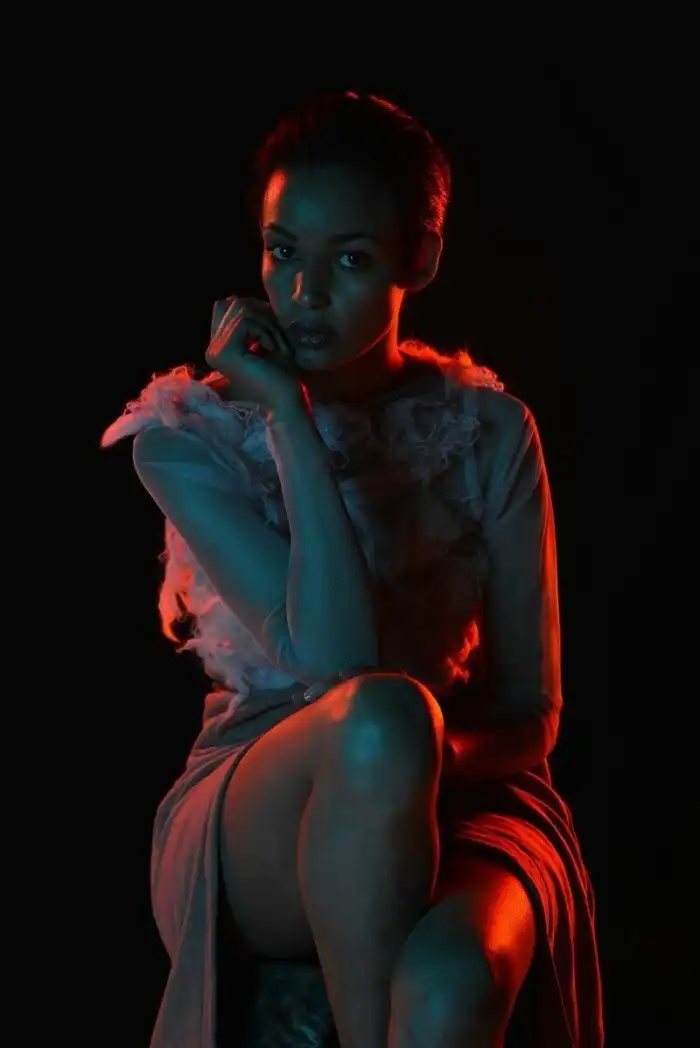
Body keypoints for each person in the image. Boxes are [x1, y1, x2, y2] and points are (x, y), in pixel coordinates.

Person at [102, 92, 603, 1048]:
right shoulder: (185, 436)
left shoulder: (491, 430)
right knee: (378, 715)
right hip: (256, 799)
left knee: (453, 977)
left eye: (351, 260)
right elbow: (335, 663)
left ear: (422, 258)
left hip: (466, 789)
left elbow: (533, 714)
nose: (304, 294)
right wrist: (289, 417)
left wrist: (413, 774)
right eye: (282, 251)